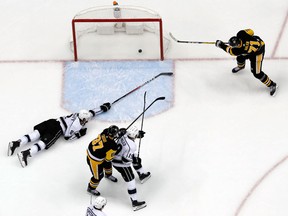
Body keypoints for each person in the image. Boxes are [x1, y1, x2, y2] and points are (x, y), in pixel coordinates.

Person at [8, 102, 111, 168]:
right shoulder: (77, 125)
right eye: (86, 120)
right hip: (57, 129)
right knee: (43, 143)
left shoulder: (78, 114)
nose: (87, 121)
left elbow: (91, 112)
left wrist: (103, 108)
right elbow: (67, 137)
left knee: (35, 134)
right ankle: (26, 154)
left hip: (52, 121)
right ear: (83, 119)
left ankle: (16, 143)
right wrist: (79, 134)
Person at [215, 29, 278, 96]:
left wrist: (221, 45)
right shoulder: (241, 34)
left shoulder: (237, 51)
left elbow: (229, 50)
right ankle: (241, 66)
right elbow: (251, 31)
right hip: (258, 44)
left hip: (257, 54)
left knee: (257, 73)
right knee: (240, 58)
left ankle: (272, 84)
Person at [112, 125, 151, 211]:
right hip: (121, 164)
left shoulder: (124, 133)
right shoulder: (131, 146)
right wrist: (135, 160)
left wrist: (138, 135)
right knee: (131, 181)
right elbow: (125, 160)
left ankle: (142, 174)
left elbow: (124, 133)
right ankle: (134, 202)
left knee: (135, 157)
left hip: (119, 156)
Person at [86, 125, 119, 196]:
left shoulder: (105, 131)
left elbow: (107, 141)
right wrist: (116, 150)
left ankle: (108, 175)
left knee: (108, 165)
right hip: (94, 161)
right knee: (98, 177)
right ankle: (91, 188)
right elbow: (108, 158)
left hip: (93, 151)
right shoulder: (113, 146)